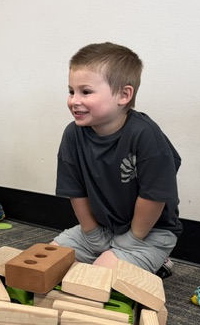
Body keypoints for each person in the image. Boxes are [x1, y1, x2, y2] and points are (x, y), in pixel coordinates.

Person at [52, 42, 181, 277]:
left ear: (124, 95)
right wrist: (92, 233)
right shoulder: (72, 134)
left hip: (149, 232)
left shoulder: (145, 135)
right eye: (71, 91)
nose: (74, 100)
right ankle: (115, 255)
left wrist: (133, 238)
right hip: (102, 228)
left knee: (96, 279)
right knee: (47, 263)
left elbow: (154, 197)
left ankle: (157, 261)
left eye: (85, 92)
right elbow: (75, 191)